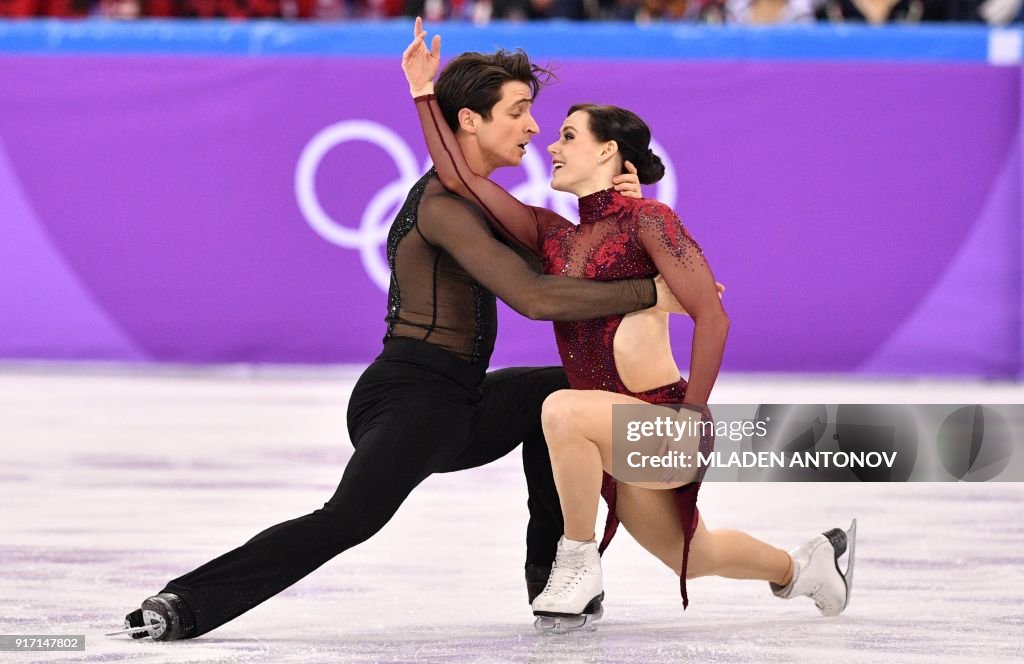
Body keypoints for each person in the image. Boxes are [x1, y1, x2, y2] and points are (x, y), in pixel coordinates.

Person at [113, 39, 685, 642]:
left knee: (563, 398)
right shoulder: (444, 207)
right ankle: (184, 602)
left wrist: (627, 210)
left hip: (461, 401)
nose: (533, 126)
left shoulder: (481, 202)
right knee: (349, 519)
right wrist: (653, 293)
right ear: (470, 120)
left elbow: (579, 265)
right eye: (518, 110)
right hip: (410, 396)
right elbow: (537, 297)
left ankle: (558, 576)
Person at [402, 19, 856, 632]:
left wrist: (695, 414)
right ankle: (806, 567)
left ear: (607, 151)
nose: (549, 145)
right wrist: (423, 93)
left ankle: (577, 557)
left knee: (559, 406)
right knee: (697, 555)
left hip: (664, 419)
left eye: (566, 135)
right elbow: (459, 181)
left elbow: (713, 317)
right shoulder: (552, 234)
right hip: (611, 428)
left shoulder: (651, 221)